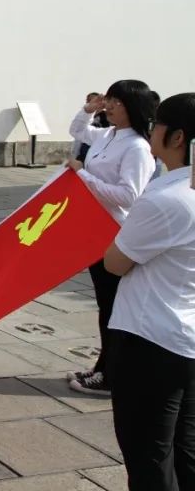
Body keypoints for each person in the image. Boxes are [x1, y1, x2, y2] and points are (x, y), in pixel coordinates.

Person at [103, 92, 195, 489]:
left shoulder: (166, 199)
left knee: (148, 455)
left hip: (149, 340)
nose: (151, 131)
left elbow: (115, 262)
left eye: (157, 125)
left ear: (177, 137)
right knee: (185, 449)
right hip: (185, 337)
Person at [66, 80, 156, 396]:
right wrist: (88, 109)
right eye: (111, 99)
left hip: (115, 232)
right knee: (105, 304)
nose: (111, 106)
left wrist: (82, 174)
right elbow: (77, 130)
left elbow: (128, 196)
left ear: (134, 107)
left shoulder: (137, 148)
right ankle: (104, 366)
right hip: (94, 230)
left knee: (114, 307)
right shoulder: (108, 134)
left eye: (118, 101)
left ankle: (112, 375)